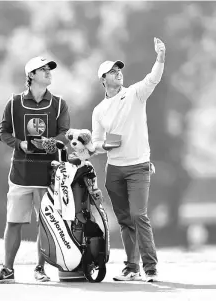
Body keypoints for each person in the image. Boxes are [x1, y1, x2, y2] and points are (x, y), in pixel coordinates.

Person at [0, 56, 70, 284]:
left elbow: (65, 135)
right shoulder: (13, 103)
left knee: (45, 222)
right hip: (20, 174)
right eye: (43, 70)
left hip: (47, 175)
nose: (49, 72)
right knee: (13, 222)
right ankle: (7, 270)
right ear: (31, 75)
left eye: (50, 69)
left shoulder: (59, 104)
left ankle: (40, 269)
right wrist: (19, 143)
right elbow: (3, 133)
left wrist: (51, 142)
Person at [92, 38, 166, 282]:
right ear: (103, 80)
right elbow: (95, 143)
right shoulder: (100, 110)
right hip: (114, 170)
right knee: (125, 220)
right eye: (112, 72)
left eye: (119, 70)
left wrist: (160, 58)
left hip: (138, 167)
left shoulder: (134, 94)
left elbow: (152, 79)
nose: (118, 73)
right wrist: (106, 145)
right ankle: (132, 268)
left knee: (138, 215)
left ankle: (150, 267)